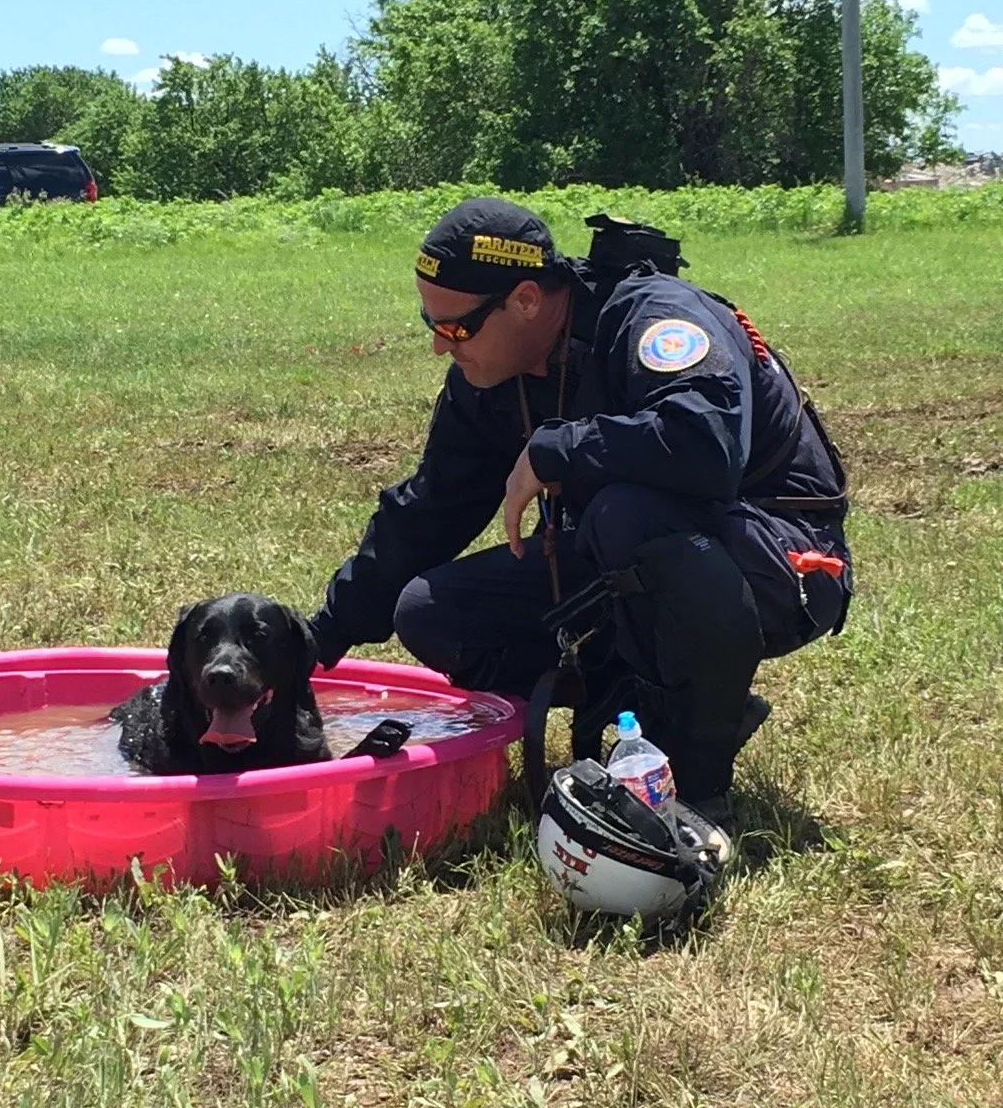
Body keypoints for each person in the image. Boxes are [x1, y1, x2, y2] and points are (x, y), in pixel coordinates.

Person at [308, 198, 852, 827]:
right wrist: (317, 640)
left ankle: (697, 783)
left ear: (526, 299)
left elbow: (707, 446)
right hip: (626, 554)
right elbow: (428, 511)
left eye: (456, 327)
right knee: (431, 611)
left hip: (780, 559)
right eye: (429, 322)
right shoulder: (491, 377)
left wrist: (556, 448)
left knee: (626, 512)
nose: (438, 345)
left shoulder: (651, 316)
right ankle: (628, 710)